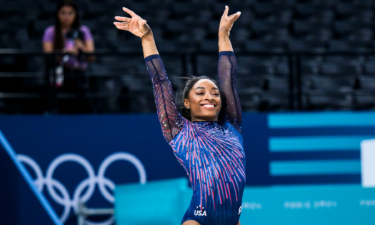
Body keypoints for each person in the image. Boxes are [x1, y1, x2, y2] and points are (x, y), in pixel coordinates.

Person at [114, 6, 245, 225]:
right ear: (187, 102)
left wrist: (224, 35)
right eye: (200, 93)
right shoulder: (178, 130)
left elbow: (228, 76)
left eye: (214, 93)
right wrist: (147, 37)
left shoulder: (231, 124)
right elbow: (159, 80)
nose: (210, 97)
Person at [42, 0, 94, 88]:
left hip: (79, 74)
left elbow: (92, 57)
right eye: (63, 13)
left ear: (75, 14)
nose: (66, 17)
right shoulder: (50, 32)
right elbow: (48, 57)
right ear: (57, 14)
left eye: (70, 13)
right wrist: (66, 52)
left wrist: (82, 48)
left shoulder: (84, 31)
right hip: (58, 74)